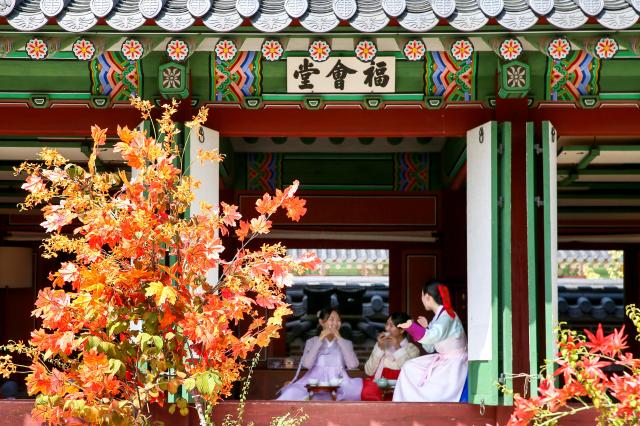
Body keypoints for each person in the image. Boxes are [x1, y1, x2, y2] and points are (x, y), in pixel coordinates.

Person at [393, 281, 468, 402]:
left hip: (454, 364)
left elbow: (433, 336)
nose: (421, 299)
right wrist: (425, 329)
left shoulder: (448, 316)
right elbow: (430, 348)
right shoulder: (439, 317)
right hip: (445, 361)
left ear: (427, 297)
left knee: (428, 386)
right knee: (409, 367)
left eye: (422, 296)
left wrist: (412, 327)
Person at [276, 308, 362, 401]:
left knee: (357, 391)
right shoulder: (312, 342)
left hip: (339, 382)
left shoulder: (346, 343)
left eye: (338, 320)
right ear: (321, 322)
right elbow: (307, 364)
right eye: (331, 319)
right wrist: (320, 339)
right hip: (314, 382)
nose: (335, 323)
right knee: (292, 392)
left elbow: (353, 365)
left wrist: (339, 338)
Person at [361, 312, 420, 401]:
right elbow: (368, 372)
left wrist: (398, 347)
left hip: (399, 392)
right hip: (375, 391)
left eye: (391, 326)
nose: (387, 328)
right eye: (387, 324)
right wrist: (379, 348)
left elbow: (409, 372)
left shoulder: (412, 349)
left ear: (402, 330)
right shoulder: (381, 345)